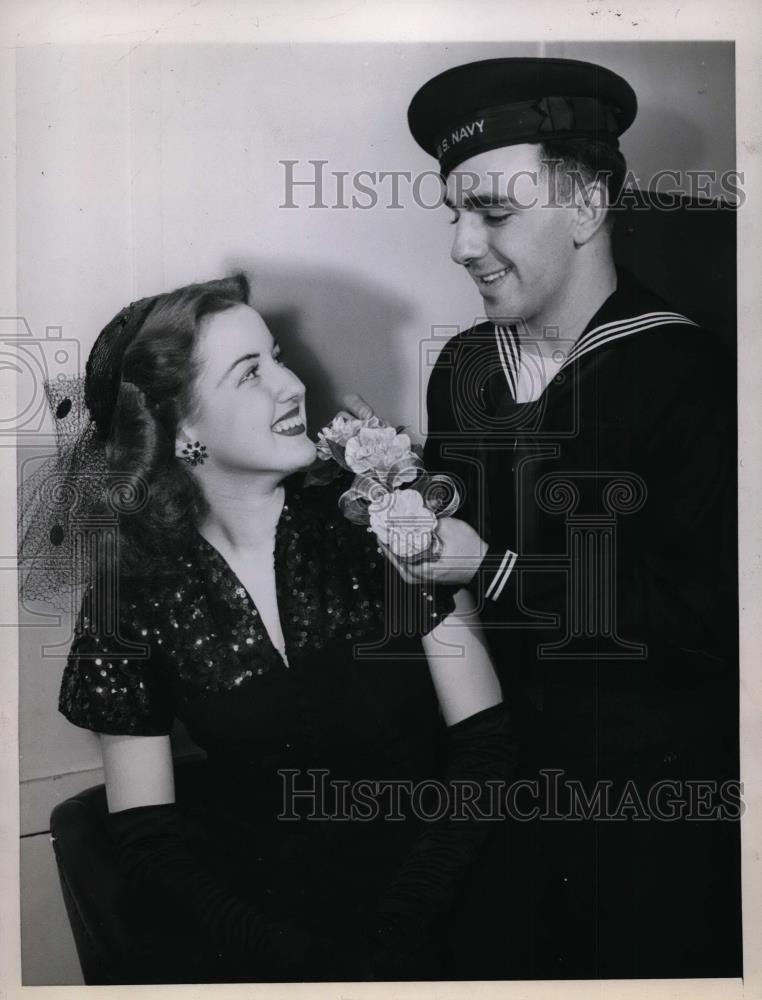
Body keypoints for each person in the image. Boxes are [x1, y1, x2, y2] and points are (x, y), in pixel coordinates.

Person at [51, 274, 514, 983]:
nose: (292, 384)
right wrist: (298, 963)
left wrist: (398, 934)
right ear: (183, 430)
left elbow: (486, 750)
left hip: (452, 908)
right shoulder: (134, 596)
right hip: (266, 941)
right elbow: (148, 840)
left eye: (277, 356)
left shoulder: (381, 518)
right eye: (251, 373)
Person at [394, 57, 741, 978]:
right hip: (491, 788)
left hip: (647, 814)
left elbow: (711, 624)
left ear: (586, 208)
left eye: (494, 212)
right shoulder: (463, 368)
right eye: (454, 212)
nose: (462, 245)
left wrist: (494, 568)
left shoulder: (695, 378)